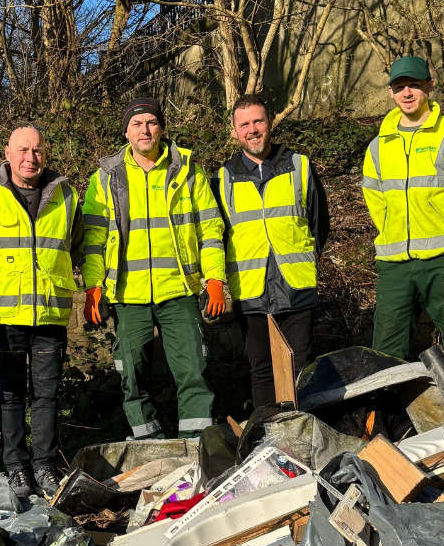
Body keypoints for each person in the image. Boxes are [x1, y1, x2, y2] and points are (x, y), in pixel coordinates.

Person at [0, 126, 84, 498]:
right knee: (11, 394)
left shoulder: (66, 195)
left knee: (47, 394)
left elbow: (76, 245)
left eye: (37, 150)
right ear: (7, 153)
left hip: (49, 312)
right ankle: (16, 467)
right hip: (6, 314)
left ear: (46, 153)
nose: (30, 158)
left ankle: (44, 465)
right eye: (23, 150)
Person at [82, 97, 225, 439]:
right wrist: (93, 287)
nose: (144, 130)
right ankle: (148, 442)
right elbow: (93, 240)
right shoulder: (106, 177)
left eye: (151, 122)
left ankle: (196, 446)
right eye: (136, 124)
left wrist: (215, 279)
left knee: (193, 371)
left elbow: (210, 229)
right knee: (131, 375)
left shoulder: (187, 170)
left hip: (179, 290)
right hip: (128, 295)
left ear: (161, 128)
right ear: (126, 132)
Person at [362, 56, 444, 400]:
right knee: (386, 349)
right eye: (399, 87)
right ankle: (390, 419)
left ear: (429, 86)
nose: (406, 93)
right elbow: (374, 198)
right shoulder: (378, 146)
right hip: (394, 263)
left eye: (414, 85)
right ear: (391, 92)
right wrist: (391, 230)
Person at [215, 94, 329, 409]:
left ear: (270, 122)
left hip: (296, 285)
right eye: (244, 124)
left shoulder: (299, 165)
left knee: (300, 370)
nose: (252, 130)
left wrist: (305, 261)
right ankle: (269, 431)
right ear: (235, 131)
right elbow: (217, 236)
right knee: (262, 371)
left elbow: (319, 224)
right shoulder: (223, 178)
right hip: (250, 291)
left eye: (258, 121)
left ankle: (302, 429)